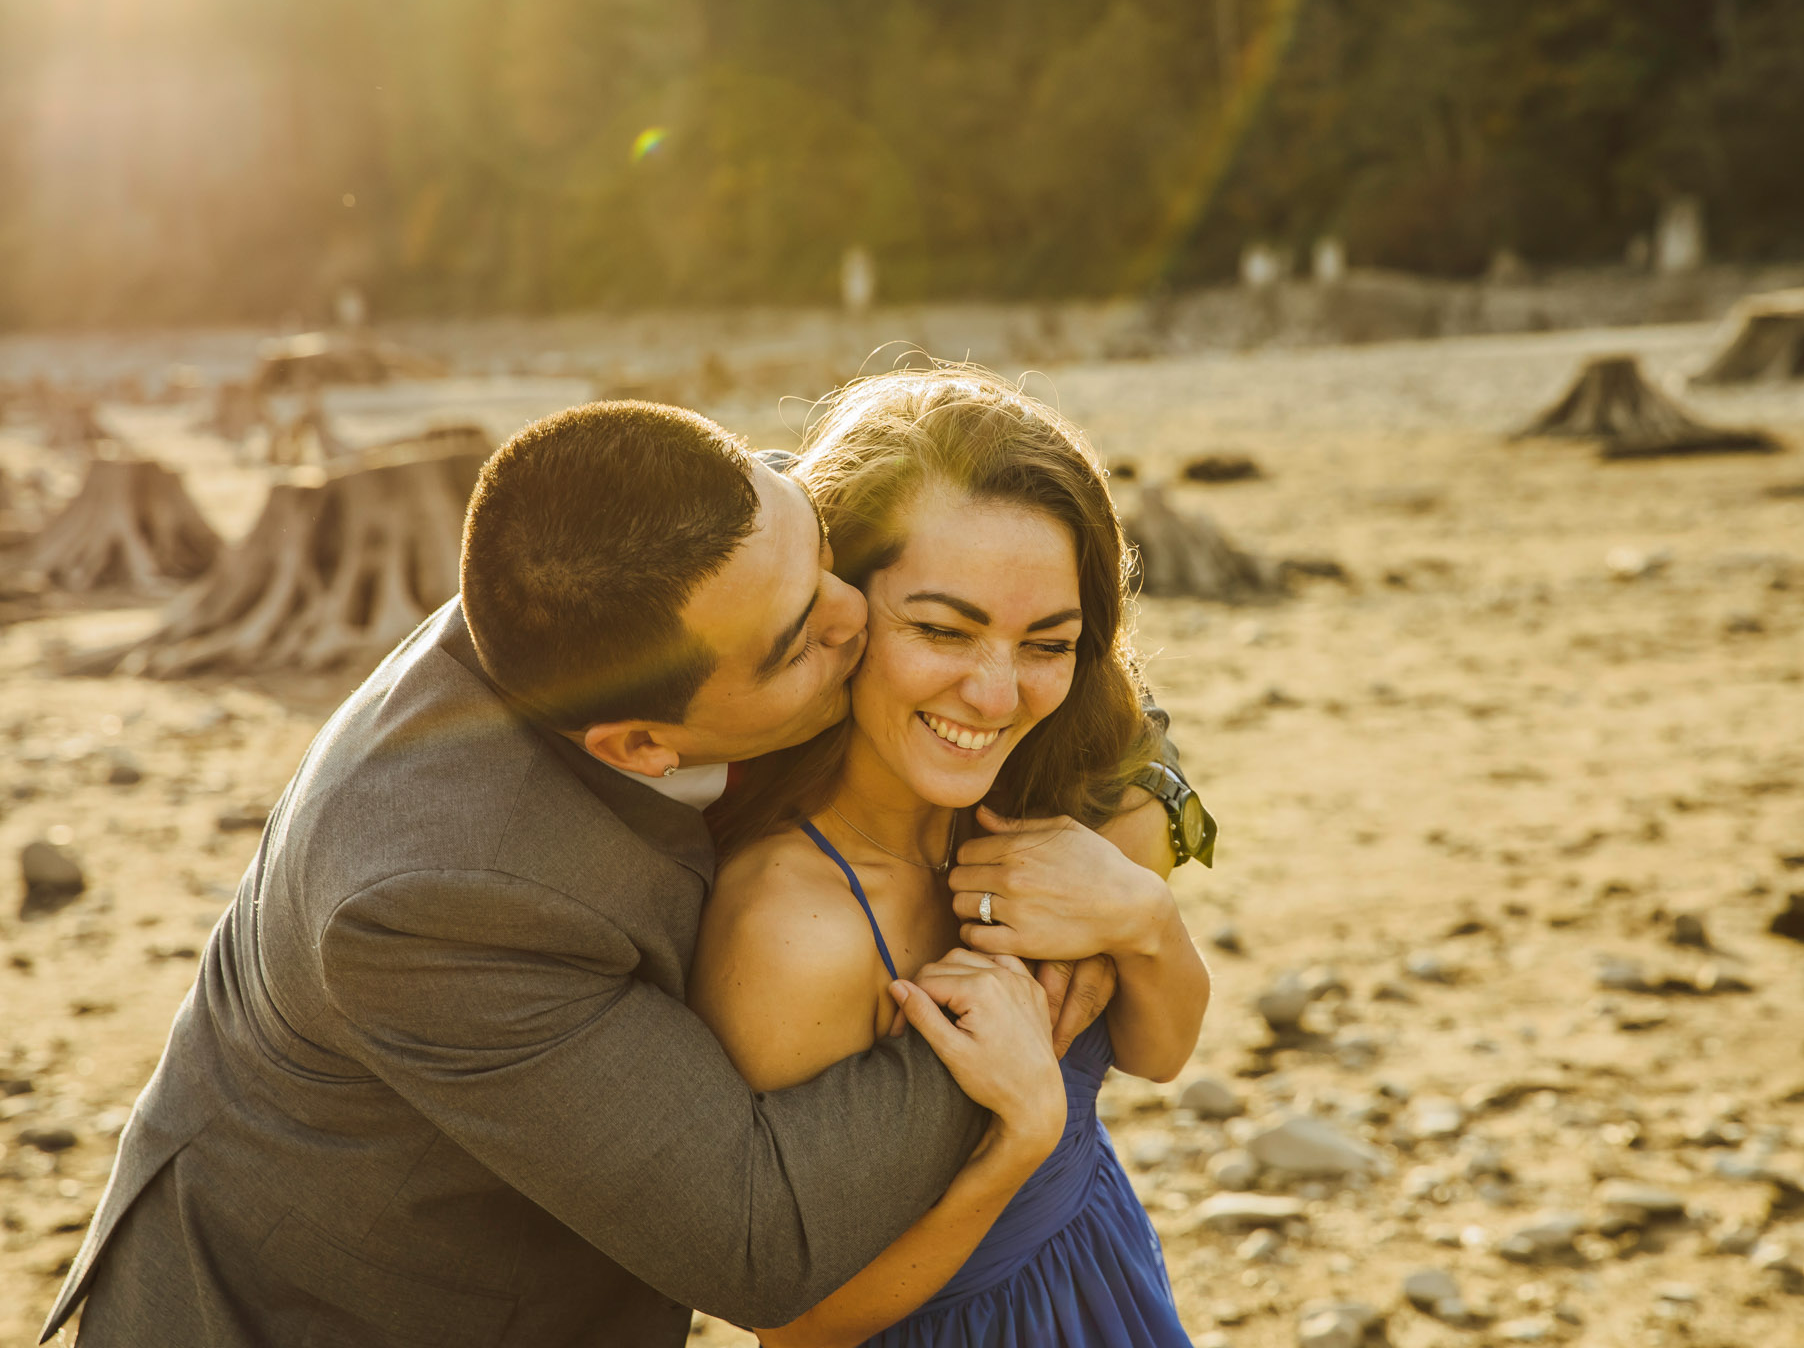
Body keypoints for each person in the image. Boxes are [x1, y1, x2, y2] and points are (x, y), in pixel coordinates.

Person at [42, 400, 1187, 1347]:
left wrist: (1140, 855)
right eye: (805, 637)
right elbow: (758, 1241)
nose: (856, 614)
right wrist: (1027, 986)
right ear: (642, 746)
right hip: (340, 1303)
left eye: (826, 556)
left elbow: (1058, 648)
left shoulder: (738, 541)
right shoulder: (434, 898)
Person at [694, 369, 1210, 1346]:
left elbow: (1160, 1051)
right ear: (834, 608)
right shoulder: (794, 930)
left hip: (1104, 1275)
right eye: (941, 629)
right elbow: (795, 1327)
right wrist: (1018, 1139)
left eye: (1046, 643)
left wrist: (1142, 919)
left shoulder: (1048, 798)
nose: (995, 693)